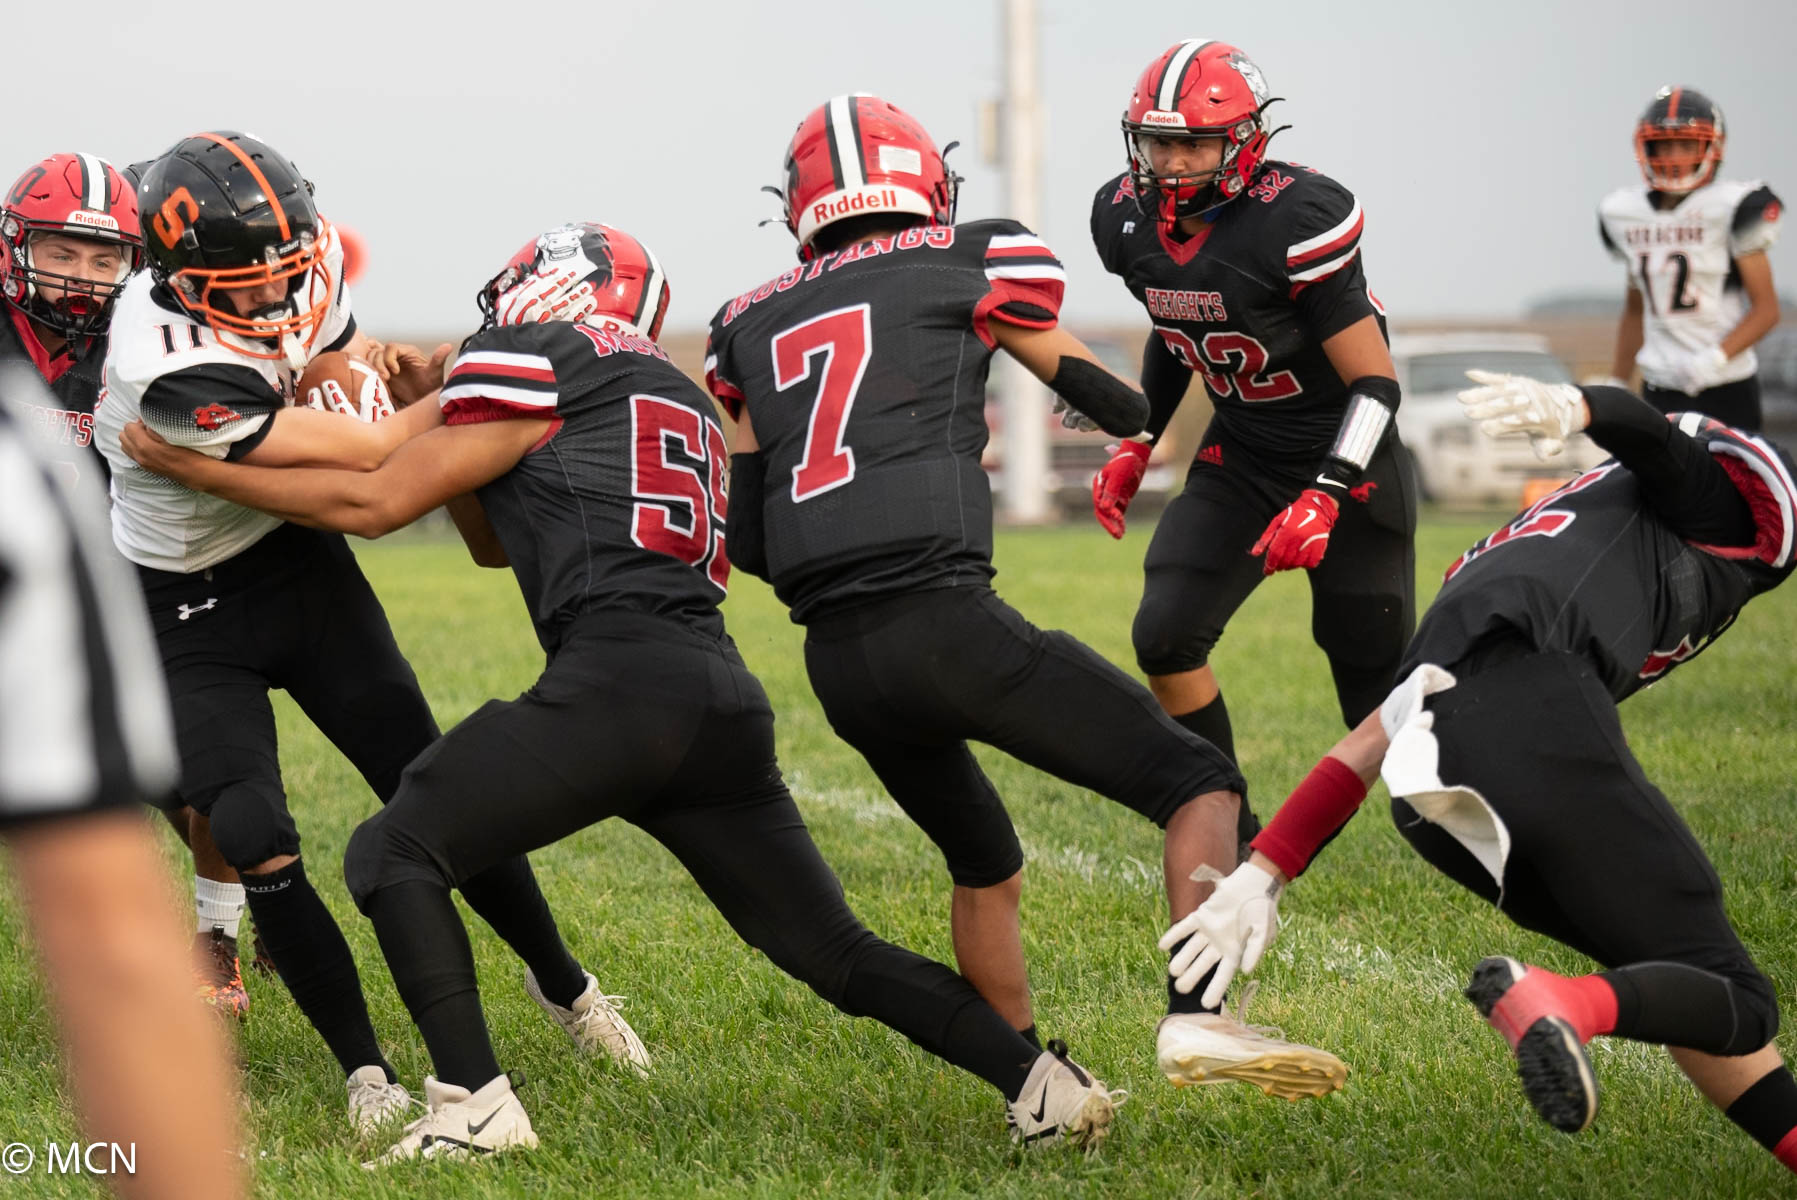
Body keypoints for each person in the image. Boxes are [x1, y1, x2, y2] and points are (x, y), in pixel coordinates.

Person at [119, 220, 1126, 1160]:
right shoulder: (668, 387)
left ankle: (474, 1108)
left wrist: (197, 464)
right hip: (716, 695)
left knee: (391, 851)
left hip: (616, 685)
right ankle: (1041, 1082)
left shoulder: (539, 352)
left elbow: (376, 502)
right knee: (835, 951)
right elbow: (489, 543)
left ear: (554, 285)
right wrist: (449, 408)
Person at [704, 93, 1345, 1097]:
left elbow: (746, 539)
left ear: (801, 204)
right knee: (1201, 784)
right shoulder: (972, 254)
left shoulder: (743, 322)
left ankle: (1032, 1088)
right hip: (946, 622)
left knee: (984, 862)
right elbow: (1121, 405)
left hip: (837, 662)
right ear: (925, 181)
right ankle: (1198, 1017)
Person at [95, 131, 637, 1132]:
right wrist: (468, 380)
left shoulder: (304, 264)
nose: (276, 297)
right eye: (245, 286)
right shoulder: (159, 365)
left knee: (426, 779)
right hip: (181, 600)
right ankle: (365, 1073)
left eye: (287, 270)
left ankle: (568, 988)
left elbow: (335, 362)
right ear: (179, 279)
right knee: (250, 831)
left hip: (294, 565)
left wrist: (350, 369)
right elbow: (370, 457)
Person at [1161, 373, 1797, 1174]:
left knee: (1676, 971)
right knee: (1741, 998)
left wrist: (1261, 875)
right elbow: (1656, 439)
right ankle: (1555, 999)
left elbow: (1372, 738)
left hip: (1430, 802)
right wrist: (1584, 407)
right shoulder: (1722, 501)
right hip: (1528, 733)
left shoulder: (1534, 550)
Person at [1087, 39, 1417, 766]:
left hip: (1347, 462)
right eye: (1159, 144)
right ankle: (1224, 818)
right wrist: (1139, 440)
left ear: (1242, 141)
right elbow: (1174, 325)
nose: (1172, 164)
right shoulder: (1123, 217)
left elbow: (1376, 384)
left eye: (1194, 145)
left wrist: (1326, 492)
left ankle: (1450, 813)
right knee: (1165, 637)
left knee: (1377, 695)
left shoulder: (1294, 217)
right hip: (1242, 456)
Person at [0, 364, 245, 1200]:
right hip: (90, 580)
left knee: (191, 779)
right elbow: (112, 952)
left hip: (147, 585)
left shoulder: (135, 349)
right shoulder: (17, 462)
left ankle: (224, 932)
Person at [1599, 86, 1782, 430]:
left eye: (1686, 145)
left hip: (1725, 385)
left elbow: (1767, 310)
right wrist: (1618, 382)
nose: (1673, 157)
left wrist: (1714, 359)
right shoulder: (1624, 212)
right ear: (1646, 147)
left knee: (1729, 468)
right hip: (1659, 385)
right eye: (1664, 145)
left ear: (1711, 147)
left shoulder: (1731, 206)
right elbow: (1636, 310)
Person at [1, 152, 140, 486]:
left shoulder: (133, 356)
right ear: (16, 251)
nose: (83, 277)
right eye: (63, 257)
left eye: (102, 263)